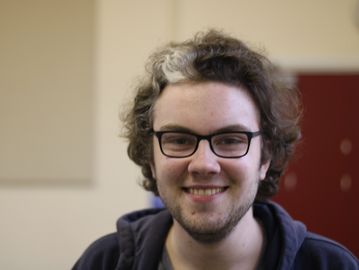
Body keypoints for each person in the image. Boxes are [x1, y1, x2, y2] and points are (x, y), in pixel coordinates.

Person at [73, 30, 359, 270]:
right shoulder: (102, 263)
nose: (204, 164)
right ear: (151, 156)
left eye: (231, 139)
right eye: (179, 139)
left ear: (265, 157)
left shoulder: (331, 265)